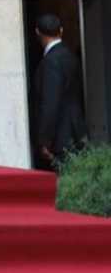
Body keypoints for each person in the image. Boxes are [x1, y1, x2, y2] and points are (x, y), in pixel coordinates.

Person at [34, 12, 86, 166]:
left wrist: (44, 141)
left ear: (38, 32)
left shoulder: (51, 61)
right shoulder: (70, 55)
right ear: (61, 31)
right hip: (76, 131)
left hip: (59, 138)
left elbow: (51, 102)